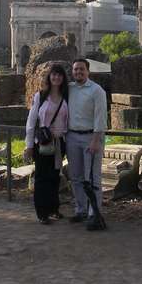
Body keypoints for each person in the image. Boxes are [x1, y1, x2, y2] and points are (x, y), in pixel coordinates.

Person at [66, 59, 107, 231]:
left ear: (88, 71)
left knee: (92, 178)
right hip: (72, 136)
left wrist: (96, 141)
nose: (78, 73)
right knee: (76, 177)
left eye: (81, 69)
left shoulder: (97, 90)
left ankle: (94, 212)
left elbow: (100, 117)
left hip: (91, 137)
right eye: (76, 70)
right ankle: (81, 209)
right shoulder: (69, 88)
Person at [24, 64, 69, 224]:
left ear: (63, 78)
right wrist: (29, 146)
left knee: (55, 177)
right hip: (42, 142)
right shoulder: (40, 96)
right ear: (49, 77)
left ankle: (54, 208)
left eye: (59, 75)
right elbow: (31, 122)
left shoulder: (66, 97)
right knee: (42, 177)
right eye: (53, 75)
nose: (56, 77)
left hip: (59, 143)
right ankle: (42, 213)